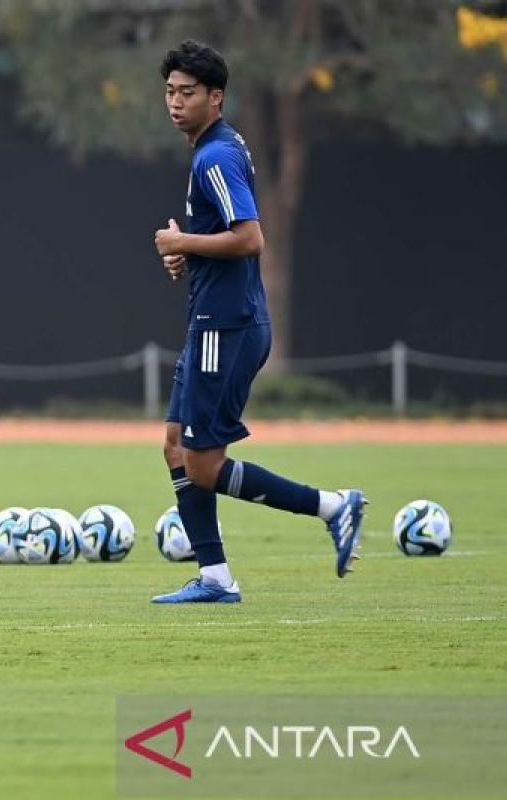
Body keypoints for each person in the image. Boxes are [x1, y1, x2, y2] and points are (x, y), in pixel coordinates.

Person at [150, 40, 366, 604]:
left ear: (215, 97)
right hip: (214, 320)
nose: (175, 101)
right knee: (175, 445)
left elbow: (250, 237)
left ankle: (332, 506)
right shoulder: (214, 147)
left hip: (227, 328)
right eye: (169, 91)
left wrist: (180, 241)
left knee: (201, 466)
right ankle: (215, 578)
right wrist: (187, 252)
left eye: (187, 93)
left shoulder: (214, 156)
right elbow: (225, 238)